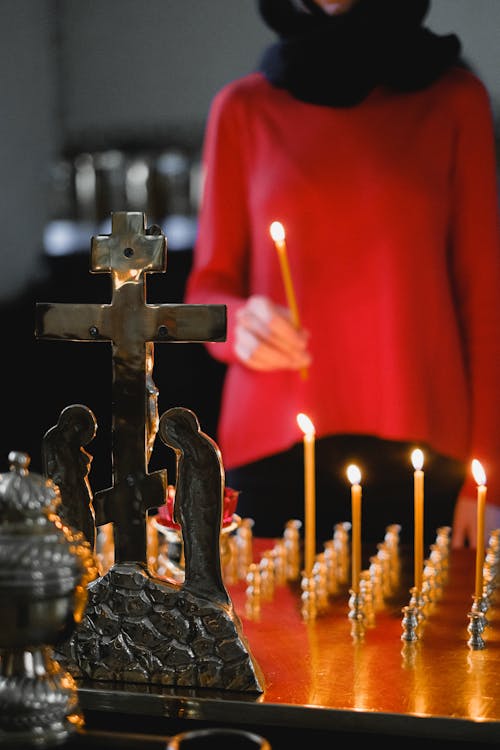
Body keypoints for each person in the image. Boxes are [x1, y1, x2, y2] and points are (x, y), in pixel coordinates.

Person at [185, 0, 500, 549]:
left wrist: (490, 481)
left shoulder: (455, 101)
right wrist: (240, 322)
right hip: (270, 452)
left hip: (428, 456)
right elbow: (206, 291)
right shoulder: (241, 109)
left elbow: (487, 299)